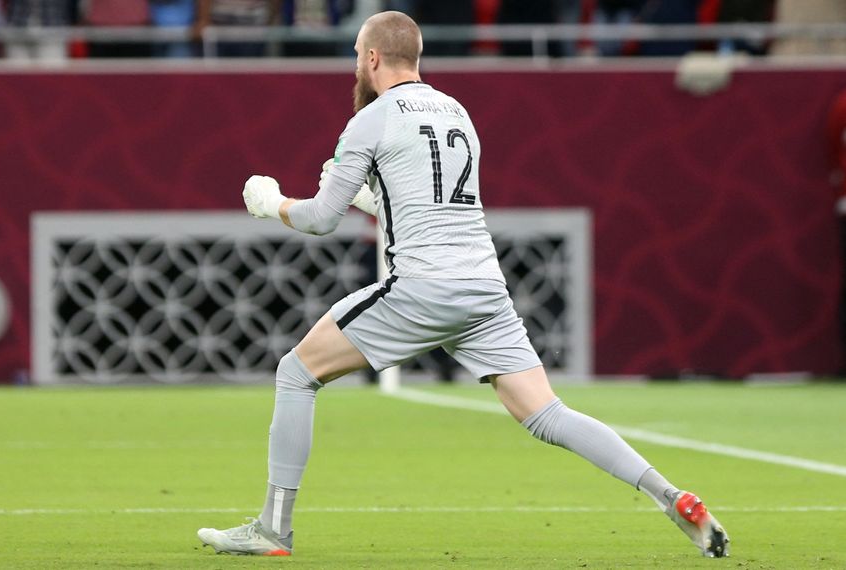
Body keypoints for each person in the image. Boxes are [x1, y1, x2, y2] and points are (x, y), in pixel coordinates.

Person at [196, 10, 730, 559]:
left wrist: (270, 204)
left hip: (422, 288)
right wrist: (373, 201)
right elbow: (434, 203)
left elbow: (318, 219)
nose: (358, 66)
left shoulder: (371, 119)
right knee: (548, 414)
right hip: (483, 288)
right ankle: (670, 495)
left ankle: (273, 529)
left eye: (359, 56)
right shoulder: (457, 111)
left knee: (296, 372)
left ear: (372, 58)